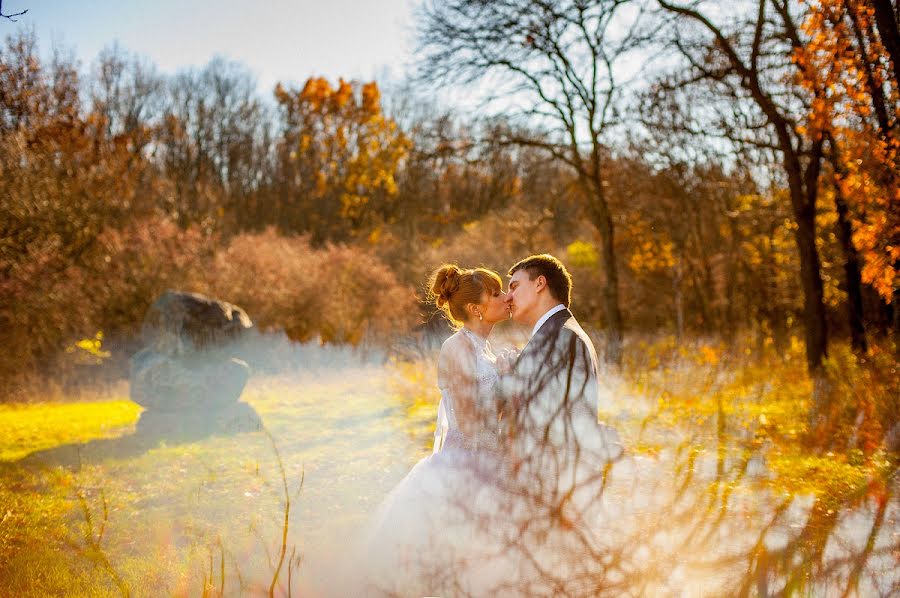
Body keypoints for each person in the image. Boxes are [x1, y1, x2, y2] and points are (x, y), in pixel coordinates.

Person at [359, 264, 517, 596]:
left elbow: (494, 413)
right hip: (462, 472)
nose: (506, 298)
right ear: (476, 308)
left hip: (490, 463)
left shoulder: (485, 350)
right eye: (497, 293)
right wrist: (507, 383)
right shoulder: (456, 348)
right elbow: (471, 421)